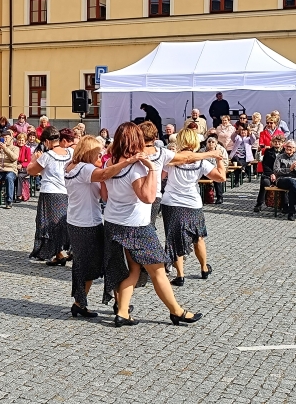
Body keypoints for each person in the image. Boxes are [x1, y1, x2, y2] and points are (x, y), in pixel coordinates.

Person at [102, 122, 202, 327]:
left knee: (133, 270)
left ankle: (122, 312)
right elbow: (147, 197)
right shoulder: (137, 166)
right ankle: (177, 311)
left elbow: (104, 194)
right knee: (157, 270)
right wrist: (152, 169)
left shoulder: (110, 162)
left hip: (113, 221)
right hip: (136, 225)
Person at [65, 136, 144, 317]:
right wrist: (129, 161)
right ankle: (110, 303)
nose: (100, 155)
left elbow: (102, 189)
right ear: (89, 152)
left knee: (84, 264)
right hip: (88, 222)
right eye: (98, 152)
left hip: (75, 220)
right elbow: (105, 176)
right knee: (104, 262)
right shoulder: (86, 169)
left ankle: (83, 301)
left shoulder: (71, 165)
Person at [162, 129, 225, 286]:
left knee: (175, 239)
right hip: (192, 203)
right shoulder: (202, 162)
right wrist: (218, 159)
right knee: (198, 238)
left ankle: (180, 275)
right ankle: (204, 268)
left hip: (172, 202)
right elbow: (221, 177)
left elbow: (161, 175)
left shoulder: (171, 159)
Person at [26, 127, 74, 263]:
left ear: (47, 141)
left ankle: (56, 253)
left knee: (48, 224)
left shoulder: (47, 156)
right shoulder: (70, 152)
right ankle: (65, 251)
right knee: (64, 222)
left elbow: (31, 170)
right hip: (67, 192)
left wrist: (34, 159)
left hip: (50, 192)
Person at [254, 134, 285, 212]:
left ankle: (285, 204)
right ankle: (259, 203)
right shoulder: (268, 151)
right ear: (272, 142)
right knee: (265, 183)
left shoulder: (285, 152)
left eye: (279, 142)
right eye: (275, 142)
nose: (277, 143)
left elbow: (285, 166)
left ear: (282, 143)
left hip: (281, 174)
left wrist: (278, 174)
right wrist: (271, 173)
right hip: (269, 174)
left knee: (285, 185)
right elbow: (265, 164)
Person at [201, 135, 229, 204]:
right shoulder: (202, 151)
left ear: (216, 144)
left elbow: (225, 161)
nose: (211, 143)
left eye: (213, 142)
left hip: (215, 170)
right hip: (204, 171)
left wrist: (222, 169)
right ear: (206, 143)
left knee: (217, 179)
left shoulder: (220, 150)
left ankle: (219, 197)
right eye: (209, 142)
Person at [273, 140, 296, 220]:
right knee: (292, 182)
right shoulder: (280, 157)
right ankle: (291, 211)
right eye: (287, 146)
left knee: (293, 187)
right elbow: (276, 170)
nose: (288, 148)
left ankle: (291, 212)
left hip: (294, 180)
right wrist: (289, 169)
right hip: (282, 179)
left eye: (291, 147)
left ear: (294, 149)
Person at [15, 133, 31, 201]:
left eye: (22, 140)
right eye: (19, 140)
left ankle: (19, 195)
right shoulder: (15, 148)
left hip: (25, 168)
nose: (20, 142)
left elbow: (28, 161)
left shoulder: (27, 149)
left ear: (25, 141)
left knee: (19, 176)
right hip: (15, 166)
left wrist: (22, 165)